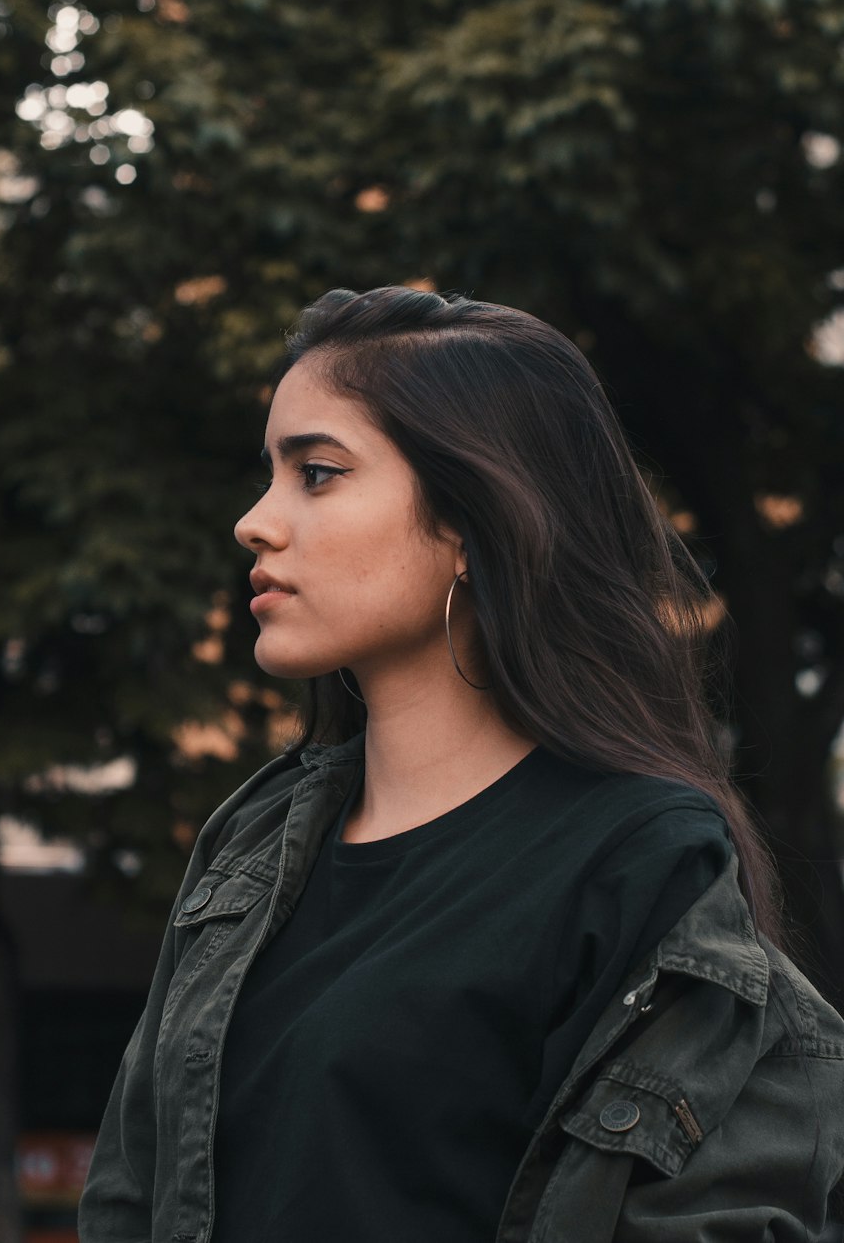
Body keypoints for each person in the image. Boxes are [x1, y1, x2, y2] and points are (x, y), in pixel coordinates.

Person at [78, 285, 844, 1242]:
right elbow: (128, 1195)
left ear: (470, 523)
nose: (257, 521)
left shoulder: (638, 861)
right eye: (269, 474)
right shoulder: (255, 843)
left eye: (315, 473)